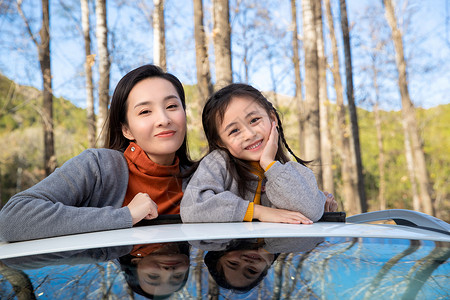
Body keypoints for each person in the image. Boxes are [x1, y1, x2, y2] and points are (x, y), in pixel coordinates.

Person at [0, 64, 195, 242]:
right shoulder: (98, 167)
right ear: (126, 130)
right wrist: (126, 215)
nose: (163, 119)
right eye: (145, 111)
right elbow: (12, 220)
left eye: (171, 106)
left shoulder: (201, 179)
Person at [181, 83, 336, 224]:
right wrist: (258, 212)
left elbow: (312, 211)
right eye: (234, 131)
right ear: (221, 142)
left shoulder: (286, 170)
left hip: (273, 252)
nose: (249, 134)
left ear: (272, 118)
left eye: (254, 120)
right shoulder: (217, 163)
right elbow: (192, 207)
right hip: (228, 253)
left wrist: (269, 164)